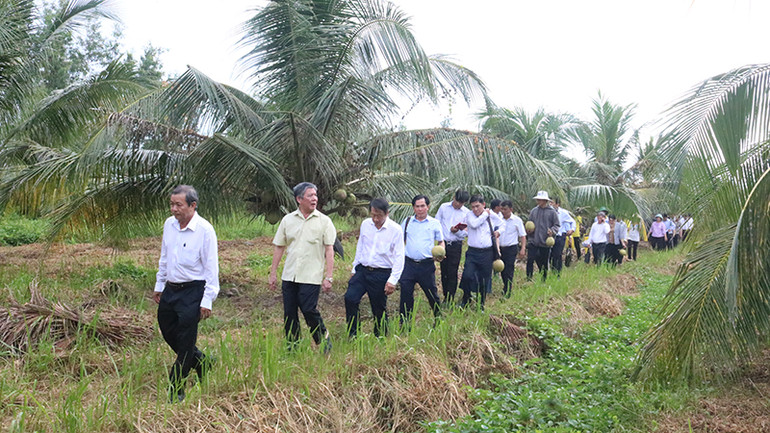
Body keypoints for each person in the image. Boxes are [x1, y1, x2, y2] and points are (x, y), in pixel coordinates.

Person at [154, 185, 219, 403]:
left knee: (186, 340)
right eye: (172, 204)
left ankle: (176, 388)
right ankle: (201, 362)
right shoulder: (169, 225)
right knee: (167, 329)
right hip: (171, 289)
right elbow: (164, 256)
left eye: (178, 205)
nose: (174, 209)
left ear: (193, 205)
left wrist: (207, 299)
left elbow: (211, 268)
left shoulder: (205, 230)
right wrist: (159, 284)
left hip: (193, 291)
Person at [269, 182, 336, 353]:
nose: (315, 199)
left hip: (311, 276)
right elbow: (279, 246)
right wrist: (273, 273)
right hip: (290, 275)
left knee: (308, 310)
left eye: (315, 195)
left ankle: (324, 342)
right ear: (299, 199)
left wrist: (329, 276)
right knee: (289, 313)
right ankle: (293, 346)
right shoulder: (288, 220)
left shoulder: (324, 221)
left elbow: (329, 249)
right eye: (310, 195)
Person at [345, 198, 404, 338]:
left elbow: (399, 257)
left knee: (378, 307)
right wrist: (354, 268)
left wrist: (393, 280)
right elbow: (360, 246)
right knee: (350, 298)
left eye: (379, 215)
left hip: (381, 273)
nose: (376, 219)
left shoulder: (395, 230)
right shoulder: (366, 224)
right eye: (373, 215)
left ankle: (380, 336)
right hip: (362, 270)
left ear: (387, 213)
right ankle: (353, 334)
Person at [399, 194, 444, 329]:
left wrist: (441, 251)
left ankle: (438, 318)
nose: (420, 209)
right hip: (408, 264)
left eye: (422, 206)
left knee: (431, 293)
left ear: (428, 207)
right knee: (406, 294)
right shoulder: (407, 221)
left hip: (426, 264)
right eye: (417, 206)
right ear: (413, 208)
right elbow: (399, 239)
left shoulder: (434, 223)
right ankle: (405, 324)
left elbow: (441, 241)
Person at [458, 195, 503, 309]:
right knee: (467, 276)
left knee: (484, 279)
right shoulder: (470, 215)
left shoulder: (491, 215)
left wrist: (498, 231)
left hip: (487, 252)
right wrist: (485, 214)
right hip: (473, 252)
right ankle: (466, 299)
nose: (475, 209)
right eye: (473, 207)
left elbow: (503, 224)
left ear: (483, 205)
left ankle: (481, 303)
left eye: (477, 206)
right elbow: (474, 224)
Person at [435, 190, 470, 304]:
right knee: (444, 270)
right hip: (443, 244)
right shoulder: (443, 207)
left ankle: (450, 298)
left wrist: (457, 231)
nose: (458, 204)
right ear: (454, 197)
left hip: (456, 245)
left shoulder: (466, 213)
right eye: (457, 201)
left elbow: (466, 232)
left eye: (461, 203)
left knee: (452, 271)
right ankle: (445, 294)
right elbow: (437, 223)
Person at [526, 191, 560, 281]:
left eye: (540, 200)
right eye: (538, 199)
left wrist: (552, 231)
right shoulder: (534, 211)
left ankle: (543, 278)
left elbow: (557, 225)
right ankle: (529, 278)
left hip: (545, 241)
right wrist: (529, 230)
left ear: (545, 201)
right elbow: (530, 222)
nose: (538, 201)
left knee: (544, 261)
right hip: (533, 240)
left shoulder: (552, 212)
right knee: (530, 259)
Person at [498, 200, 526, 296]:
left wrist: (523, 248)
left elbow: (522, 235)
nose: (503, 211)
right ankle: (505, 285)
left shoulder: (517, 220)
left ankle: (508, 290)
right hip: (500, 248)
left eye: (505, 209)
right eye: (501, 209)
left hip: (511, 248)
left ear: (511, 209)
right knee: (501, 269)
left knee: (509, 269)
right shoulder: (498, 219)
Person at [550, 197, 575, 276]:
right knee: (550, 255)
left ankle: (557, 273)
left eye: (552, 203)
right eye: (549, 202)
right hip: (550, 236)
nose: (550, 204)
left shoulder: (563, 213)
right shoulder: (547, 212)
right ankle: (552, 271)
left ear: (557, 204)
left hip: (560, 236)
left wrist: (572, 230)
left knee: (557, 255)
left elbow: (572, 221)